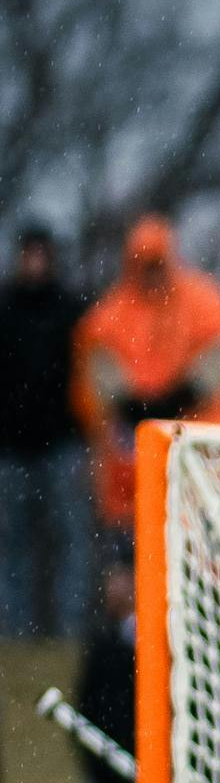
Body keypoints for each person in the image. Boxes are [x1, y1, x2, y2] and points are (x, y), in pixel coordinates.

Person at [72, 214, 220, 529]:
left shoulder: (201, 300)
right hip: (132, 460)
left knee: (199, 542)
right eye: (145, 265)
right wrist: (130, 403)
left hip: (196, 447)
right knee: (130, 545)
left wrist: (187, 393)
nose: (152, 274)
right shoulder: (112, 313)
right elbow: (94, 362)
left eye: (157, 264)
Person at [0, 224, 91, 637]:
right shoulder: (7, 310)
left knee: (71, 542)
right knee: (12, 545)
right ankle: (15, 631)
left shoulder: (70, 311)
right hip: (13, 448)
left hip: (62, 444)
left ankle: (69, 631)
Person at [70, 554, 138, 783]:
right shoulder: (101, 640)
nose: (113, 587)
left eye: (120, 578)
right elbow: (86, 705)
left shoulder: (159, 636)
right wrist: (98, 766)